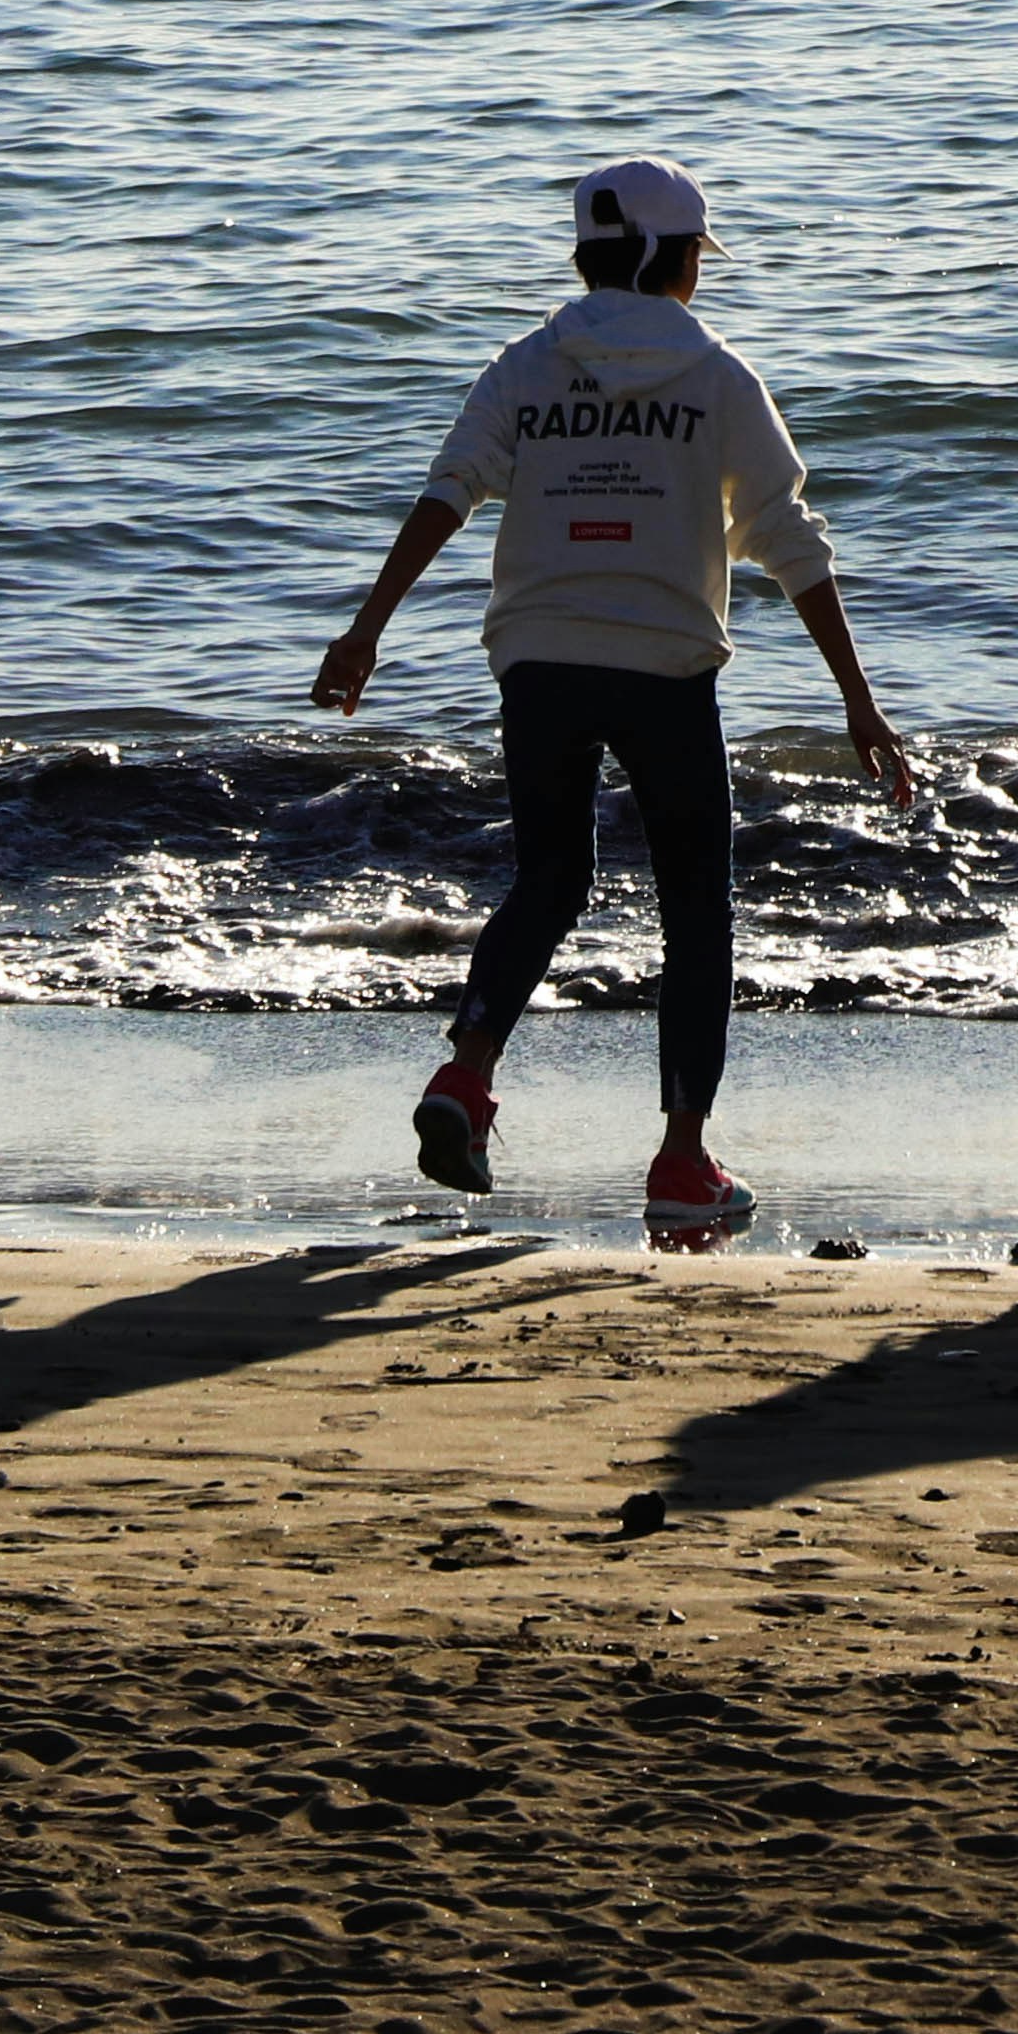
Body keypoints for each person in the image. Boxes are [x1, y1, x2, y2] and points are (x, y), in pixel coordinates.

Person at [310, 158, 915, 1246]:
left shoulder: (525, 366)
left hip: (535, 654)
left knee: (549, 875)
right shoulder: (719, 376)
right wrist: (858, 701)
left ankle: (467, 1071)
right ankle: (682, 1161)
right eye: (694, 256)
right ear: (667, 257)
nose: (698, 275)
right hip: (666, 666)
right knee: (695, 909)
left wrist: (367, 626)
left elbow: (447, 490)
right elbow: (790, 538)